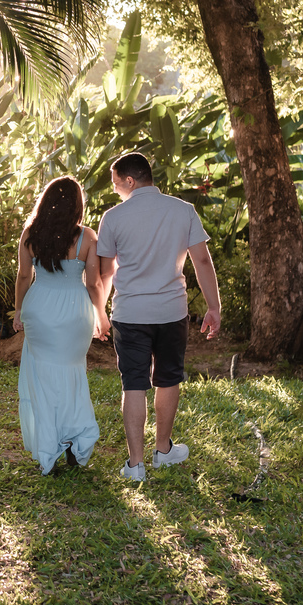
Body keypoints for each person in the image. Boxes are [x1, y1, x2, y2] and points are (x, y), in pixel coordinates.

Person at [96, 152, 220, 482]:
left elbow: (105, 272)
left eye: (116, 184)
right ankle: (163, 450)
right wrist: (214, 307)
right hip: (171, 312)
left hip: (130, 312)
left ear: (130, 181)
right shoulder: (183, 211)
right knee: (167, 378)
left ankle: (135, 465)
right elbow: (203, 262)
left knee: (133, 383)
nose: (115, 191)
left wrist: (100, 310)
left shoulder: (113, 217)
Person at [13, 175, 110, 476]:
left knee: (43, 380)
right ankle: (72, 443)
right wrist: (102, 317)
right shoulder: (87, 238)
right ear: (78, 206)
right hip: (74, 312)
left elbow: (23, 277)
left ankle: (49, 450)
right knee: (72, 375)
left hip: (40, 309)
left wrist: (18, 311)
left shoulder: (30, 234)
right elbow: (94, 284)